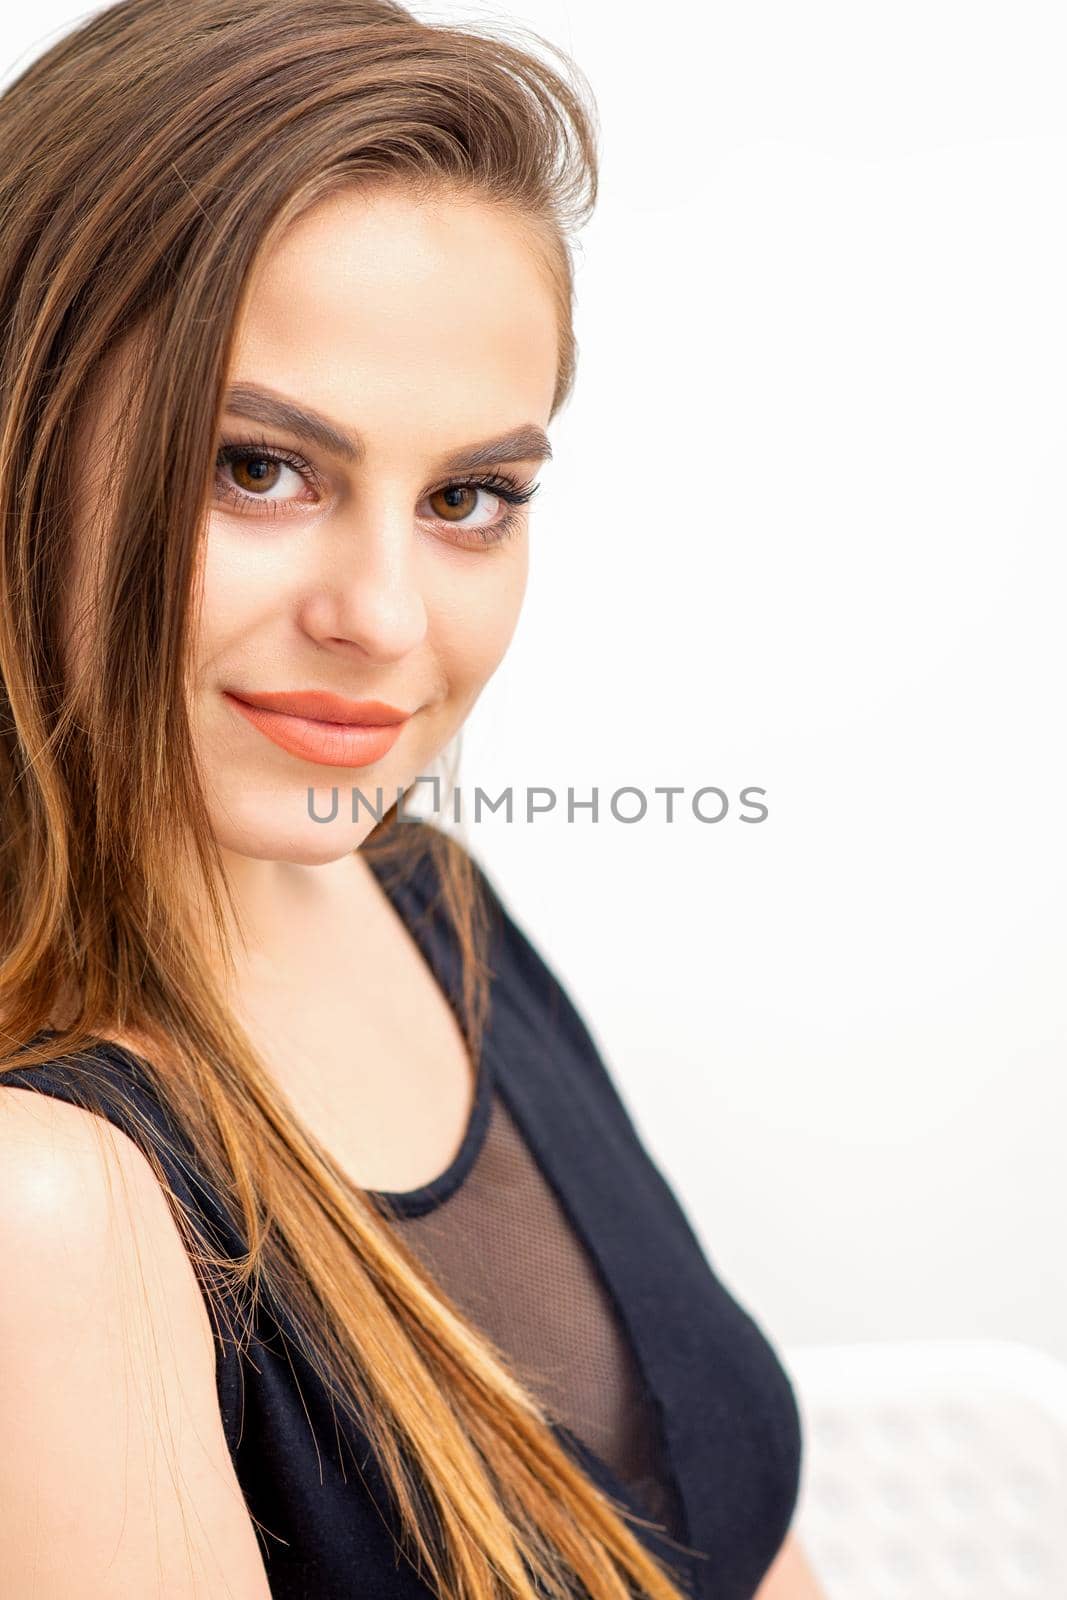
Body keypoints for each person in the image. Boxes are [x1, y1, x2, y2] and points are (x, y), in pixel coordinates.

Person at [0, 2, 825, 1596]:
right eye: (260, 466)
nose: (382, 618)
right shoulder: (48, 1204)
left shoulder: (428, 902)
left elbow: (743, 1538)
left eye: (469, 498)